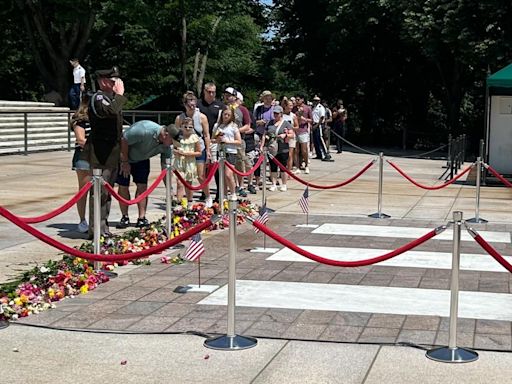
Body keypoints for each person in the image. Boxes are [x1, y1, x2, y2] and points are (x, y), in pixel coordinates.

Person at [80, 66, 127, 238]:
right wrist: (120, 96)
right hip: (100, 153)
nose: (116, 83)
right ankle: (96, 229)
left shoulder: (111, 98)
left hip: (111, 152)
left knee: (107, 193)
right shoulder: (99, 97)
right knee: (99, 192)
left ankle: (103, 226)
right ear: (103, 81)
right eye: (112, 80)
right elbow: (110, 111)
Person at [115, 120, 180, 228]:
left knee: (142, 187)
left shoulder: (166, 147)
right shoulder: (144, 130)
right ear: (166, 135)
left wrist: (169, 189)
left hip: (142, 160)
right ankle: (124, 216)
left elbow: (165, 168)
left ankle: (142, 217)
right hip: (124, 157)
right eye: (172, 141)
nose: (172, 145)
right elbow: (124, 140)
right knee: (123, 186)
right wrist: (125, 162)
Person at [175, 91, 213, 207]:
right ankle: (189, 200)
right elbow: (176, 134)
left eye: (194, 104)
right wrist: (177, 149)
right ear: (185, 104)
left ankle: (207, 196)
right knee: (187, 176)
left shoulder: (202, 117)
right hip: (185, 149)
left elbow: (206, 135)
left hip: (198, 147)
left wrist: (208, 150)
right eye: (189, 104)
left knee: (201, 176)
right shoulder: (180, 118)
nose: (192, 107)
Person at [197, 82, 226, 201]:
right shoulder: (198, 105)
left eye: (213, 92)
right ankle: (205, 192)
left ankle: (219, 194)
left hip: (215, 140)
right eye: (209, 91)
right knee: (203, 169)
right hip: (200, 140)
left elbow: (225, 122)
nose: (211, 94)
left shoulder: (220, 106)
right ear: (204, 91)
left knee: (217, 168)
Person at [70, 93, 92, 233]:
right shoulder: (80, 120)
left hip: (97, 158)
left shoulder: (97, 119)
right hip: (84, 157)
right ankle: (82, 219)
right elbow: (81, 140)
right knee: (83, 190)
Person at [260, 105, 294, 192]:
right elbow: (265, 134)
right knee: (273, 166)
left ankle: (284, 184)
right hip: (272, 147)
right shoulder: (269, 123)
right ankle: (274, 184)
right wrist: (262, 145)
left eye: (277, 113)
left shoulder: (286, 123)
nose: (275, 115)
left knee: (283, 167)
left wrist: (285, 135)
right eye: (274, 113)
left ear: (281, 114)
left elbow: (292, 134)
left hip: (282, 148)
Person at [212, 108, 242, 199]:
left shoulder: (233, 126)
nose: (226, 116)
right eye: (225, 114)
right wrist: (217, 140)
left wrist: (228, 141)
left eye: (228, 115)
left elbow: (239, 141)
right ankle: (224, 194)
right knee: (222, 175)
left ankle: (233, 193)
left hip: (230, 152)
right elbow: (212, 139)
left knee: (228, 174)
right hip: (220, 151)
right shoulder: (217, 126)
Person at [173, 117, 202, 206]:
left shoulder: (194, 138)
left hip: (190, 162)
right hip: (179, 162)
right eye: (185, 127)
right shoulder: (178, 137)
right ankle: (179, 202)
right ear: (181, 126)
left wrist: (187, 154)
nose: (187, 129)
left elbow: (199, 152)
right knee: (179, 182)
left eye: (190, 127)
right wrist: (177, 151)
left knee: (188, 184)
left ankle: (189, 201)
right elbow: (174, 148)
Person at [293, 94, 312, 174]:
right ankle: (297, 166)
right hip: (295, 130)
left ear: (302, 100)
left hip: (303, 130)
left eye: (298, 99)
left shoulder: (307, 108)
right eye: (296, 100)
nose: (297, 101)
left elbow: (311, 120)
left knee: (304, 150)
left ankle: (306, 165)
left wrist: (304, 119)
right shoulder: (294, 108)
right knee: (296, 150)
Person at [311, 95, 333, 162]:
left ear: (319, 101)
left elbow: (322, 117)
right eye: (314, 100)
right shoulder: (314, 107)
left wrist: (317, 125)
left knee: (321, 139)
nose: (315, 102)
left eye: (316, 100)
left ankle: (326, 153)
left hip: (318, 124)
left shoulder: (321, 108)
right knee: (315, 141)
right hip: (314, 124)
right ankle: (319, 154)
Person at [282, 98, 299, 173]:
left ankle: (289, 171)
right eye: (289, 105)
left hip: (291, 136)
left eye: (292, 105)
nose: (291, 107)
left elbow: (297, 126)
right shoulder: (282, 115)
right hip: (283, 136)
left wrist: (290, 128)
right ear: (285, 106)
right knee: (282, 154)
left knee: (290, 155)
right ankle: (282, 171)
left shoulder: (293, 116)